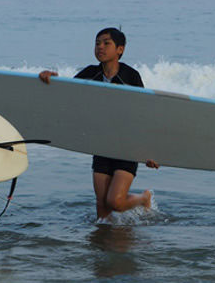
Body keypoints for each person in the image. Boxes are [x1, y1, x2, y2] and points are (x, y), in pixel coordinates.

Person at [39, 27, 159, 221]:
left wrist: (149, 151)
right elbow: (67, 94)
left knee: (115, 202)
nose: (100, 47)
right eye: (97, 43)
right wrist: (51, 78)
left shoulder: (130, 76)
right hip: (101, 143)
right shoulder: (90, 73)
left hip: (126, 146)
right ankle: (107, 245)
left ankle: (143, 198)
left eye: (106, 43)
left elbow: (142, 115)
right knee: (102, 211)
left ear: (120, 49)